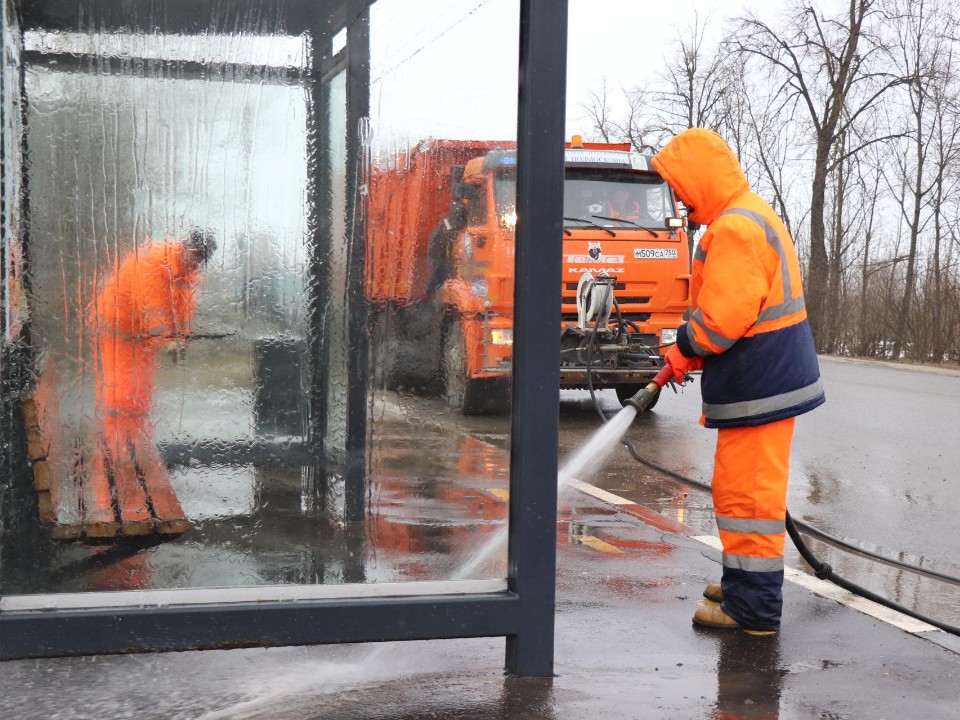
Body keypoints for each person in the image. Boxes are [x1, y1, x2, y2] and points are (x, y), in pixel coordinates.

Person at [650, 128, 825, 636]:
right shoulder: (744, 216)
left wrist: (684, 347)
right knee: (740, 492)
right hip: (762, 380)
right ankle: (741, 584)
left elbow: (723, 318)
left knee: (749, 501)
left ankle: (753, 609)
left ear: (699, 179)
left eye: (680, 188)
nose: (679, 199)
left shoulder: (735, 227)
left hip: (761, 384)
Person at [93, 228, 216, 453]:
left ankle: (133, 439)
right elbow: (153, 309)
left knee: (141, 388)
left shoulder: (185, 271)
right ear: (185, 246)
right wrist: (168, 341)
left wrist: (182, 338)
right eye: (193, 257)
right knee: (121, 387)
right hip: (119, 328)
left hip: (142, 336)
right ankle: (113, 443)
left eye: (199, 261)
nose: (194, 265)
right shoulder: (154, 263)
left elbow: (183, 307)